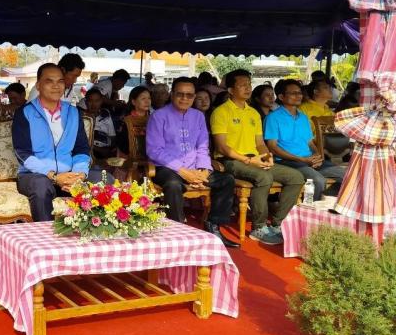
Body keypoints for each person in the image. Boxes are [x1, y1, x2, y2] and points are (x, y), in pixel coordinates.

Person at [210, 69, 304, 245]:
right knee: (264, 177)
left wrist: (267, 156)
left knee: (296, 177)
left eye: (249, 84)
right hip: (230, 160)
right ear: (230, 90)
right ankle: (258, 227)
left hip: (255, 159)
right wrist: (248, 160)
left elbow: (260, 143)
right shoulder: (221, 112)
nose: (248, 88)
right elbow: (222, 147)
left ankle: (278, 224)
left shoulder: (253, 113)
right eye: (242, 85)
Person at [146, 78, 237, 247]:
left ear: (194, 97)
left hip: (194, 168)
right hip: (167, 168)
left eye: (189, 95)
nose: (184, 98)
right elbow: (154, 150)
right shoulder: (158, 116)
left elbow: (202, 147)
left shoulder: (198, 116)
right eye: (180, 94)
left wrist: (203, 170)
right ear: (172, 95)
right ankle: (178, 230)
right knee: (173, 184)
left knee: (226, 180)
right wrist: (182, 171)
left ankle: (214, 226)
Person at [13, 63, 107, 222]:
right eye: (49, 81)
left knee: (104, 179)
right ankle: (44, 236)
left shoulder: (73, 112)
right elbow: (23, 153)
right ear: (38, 85)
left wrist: (79, 174)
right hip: (35, 175)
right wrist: (55, 176)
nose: (56, 86)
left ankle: (94, 233)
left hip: (70, 173)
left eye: (60, 81)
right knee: (41, 186)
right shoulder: (25, 113)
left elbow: (81, 149)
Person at [264, 79, 346, 201]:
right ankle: (309, 207)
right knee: (317, 180)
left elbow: (310, 142)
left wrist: (317, 155)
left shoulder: (303, 117)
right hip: (288, 161)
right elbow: (273, 147)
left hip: (308, 159)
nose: (298, 96)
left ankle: (327, 205)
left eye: (299, 93)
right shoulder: (273, 117)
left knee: (346, 176)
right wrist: (301, 159)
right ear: (281, 97)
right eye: (293, 93)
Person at [83, 88, 116, 159]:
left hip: (106, 149)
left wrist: (111, 150)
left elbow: (112, 136)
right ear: (86, 102)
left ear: (101, 101)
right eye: (90, 101)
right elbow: (81, 141)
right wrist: (100, 150)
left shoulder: (106, 115)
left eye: (97, 101)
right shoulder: (82, 118)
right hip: (90, 150)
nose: (93, 104)